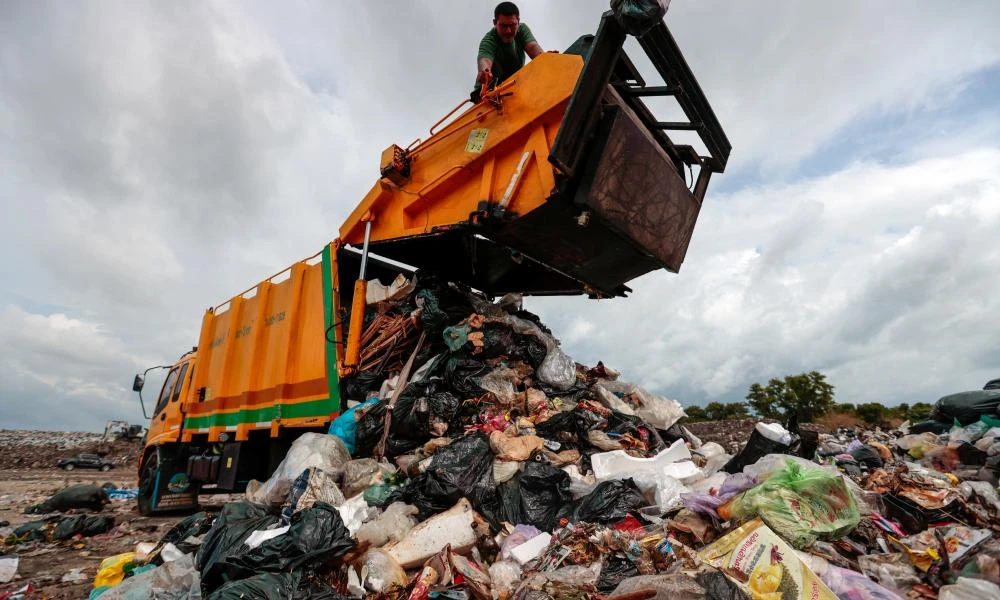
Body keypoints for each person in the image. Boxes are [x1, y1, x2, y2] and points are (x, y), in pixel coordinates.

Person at [472, 2, 545, 102]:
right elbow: (485, 60)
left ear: (518, 21)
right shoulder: (489, 40)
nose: (508, 31)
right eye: (503, 26)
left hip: (514, 86)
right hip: (488, 95)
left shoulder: (522, 30)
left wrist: (545, 59)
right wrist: (484, 72)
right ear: (494, 23)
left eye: (512, 25)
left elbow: (532, 47)